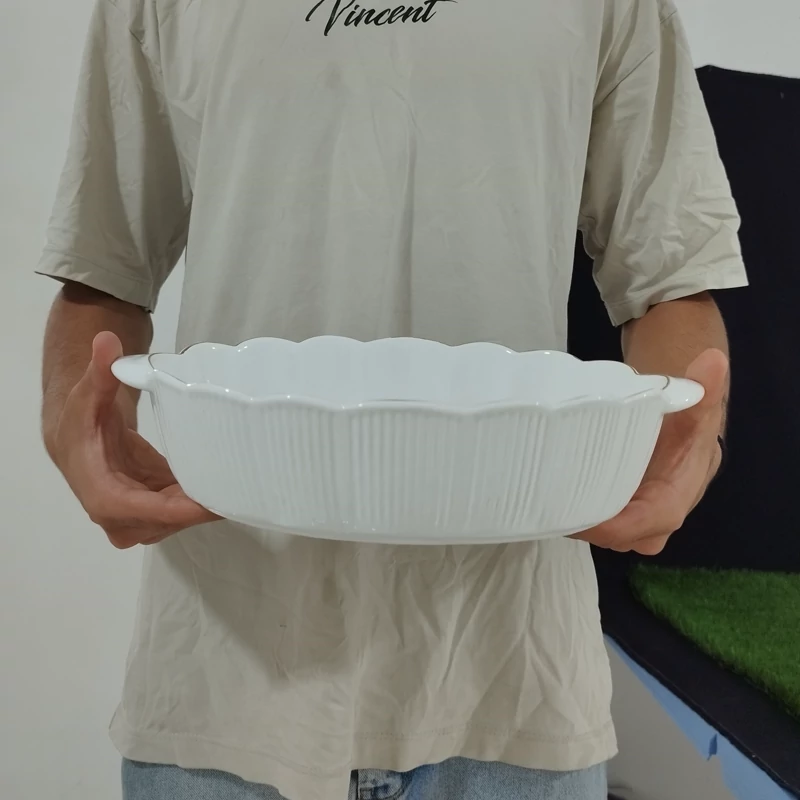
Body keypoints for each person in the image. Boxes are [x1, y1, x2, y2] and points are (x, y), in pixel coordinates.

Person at [36, 0, 747, 798]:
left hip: (512, 684)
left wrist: (690, 443)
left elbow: (670, 277)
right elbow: (102, 269)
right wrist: (74, 425)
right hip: (224, 681)